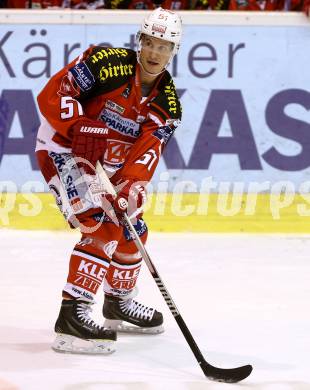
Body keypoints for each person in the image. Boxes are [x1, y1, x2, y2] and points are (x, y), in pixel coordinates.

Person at [35, 7, 182, 354]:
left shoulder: (167, 104)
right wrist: (78, 124)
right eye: (151, 43)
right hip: (63, 150)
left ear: (173, 52)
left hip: (106, 164)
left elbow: (145, 155)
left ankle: (118, 302)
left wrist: (130, 187)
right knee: (100, 226)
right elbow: (52, 94)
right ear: (140, 41)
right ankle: (72, 316)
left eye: (164, 46)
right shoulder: (106, 63)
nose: (155, 53)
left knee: (132, 226)